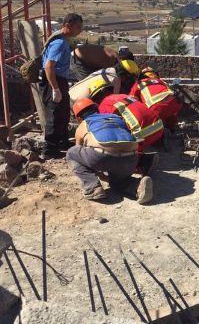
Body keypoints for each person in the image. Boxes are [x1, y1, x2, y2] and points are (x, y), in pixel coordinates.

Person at [66, 99, 152, 204]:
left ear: (78, 118)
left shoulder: (83, 124)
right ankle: (138, 187)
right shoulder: (116, 117)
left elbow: (79, 150)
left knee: (71, 153)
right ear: (97, 109)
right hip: (131, 158)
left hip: (103, 157)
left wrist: (96, 172)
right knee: (118, 183)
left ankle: (92, 187)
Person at [39, 13, 83, 159]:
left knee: (63, 112)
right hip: (53, 80)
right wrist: (55, 88)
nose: (80, 30)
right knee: (55, 114)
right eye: (78, 27)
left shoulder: (62, 40)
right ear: (68, 26)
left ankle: (62, 142)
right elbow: (49, 67)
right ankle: (49, 149)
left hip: (59, 79)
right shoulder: (59, 43)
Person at [98, 93, 165, 177]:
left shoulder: (103, 107)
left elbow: (108, 129)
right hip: (159, 127)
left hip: (142, 135)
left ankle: (144, 161)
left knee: (121, 150)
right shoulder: (122, 96)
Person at [68, 59, 140, 107]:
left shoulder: (106, 70)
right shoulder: (115, 80)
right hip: (75, 105)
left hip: (69, 95)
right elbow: (115, 103)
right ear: (125, 75)